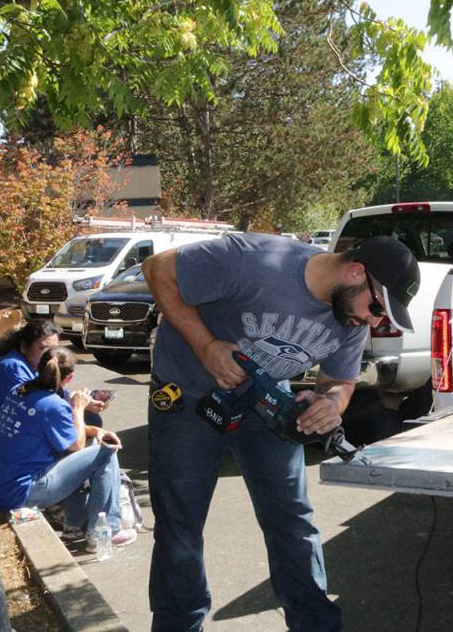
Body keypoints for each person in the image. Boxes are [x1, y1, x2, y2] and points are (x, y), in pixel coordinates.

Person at [143, 233, 419, 631]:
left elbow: (339, 382)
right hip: (187, 397)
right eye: (377, 307)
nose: (375, 321)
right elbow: (157, 269)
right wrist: (206, 346)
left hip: (264, 400)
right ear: (355, 272)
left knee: (292, 520)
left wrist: (331, 404)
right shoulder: (254, 261)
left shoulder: (350, 318)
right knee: (179, 525)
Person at [0, 347, 136, 548]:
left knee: (89, 444)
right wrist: (78, 408)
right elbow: (76, 446)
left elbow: (55, 430)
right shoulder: (53, 405)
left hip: (0, 487)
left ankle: (74, 524)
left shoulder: (20, 391)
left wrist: (94, 430)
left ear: (38, 368)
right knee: (105, 453)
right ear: (70, 377)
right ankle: (104, 532)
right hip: (24, 492)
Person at [0, 320, 106, 488]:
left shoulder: (22, 364)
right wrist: (80, 415)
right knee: (85, 437)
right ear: (24, 347)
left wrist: (86, 402)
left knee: (88, 419)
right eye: (43, 348)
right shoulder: (13, 370)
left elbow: (53, 399)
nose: (50, 356)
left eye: (54, 350)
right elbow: (58, 426)